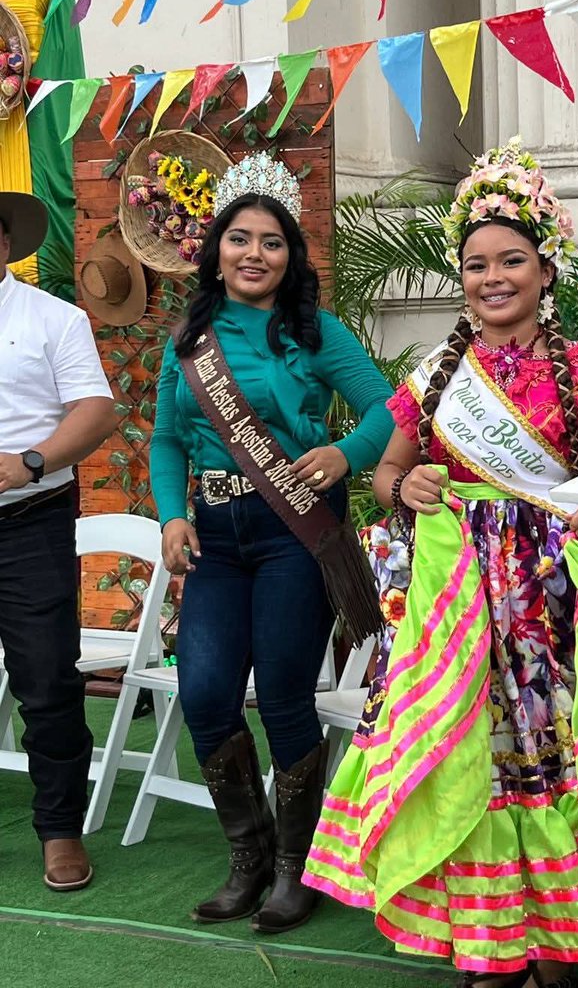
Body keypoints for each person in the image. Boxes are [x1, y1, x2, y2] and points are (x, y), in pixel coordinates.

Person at [303, 139, 578, 988]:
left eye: (512, 260)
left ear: (544, 266)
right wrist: (405, 481)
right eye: (477, 264)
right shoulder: (436, 376)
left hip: (557, 615)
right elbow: (386, 473)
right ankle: (488, 946)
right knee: (470, 763)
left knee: (559, 763)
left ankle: (561, 947)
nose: (494, 277)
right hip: (459, 613)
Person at [149, 151, 393, 934]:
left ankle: (297, 871)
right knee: (208, 692)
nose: (255, 254)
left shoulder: (313, 331)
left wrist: (346, 454)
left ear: (291, 258)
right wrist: (170, 516)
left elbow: (394, 408)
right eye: (241, 239)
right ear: (215, 248)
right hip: (215, 537)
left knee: (286, 695)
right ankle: (247, 860)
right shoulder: (188, 337)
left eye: (273, 242)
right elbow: (163, 440)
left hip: (294, 532)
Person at [0, 191, 117, 890]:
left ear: (5, 241)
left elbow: (97, 409)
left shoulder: (54, 318)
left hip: (28, 520)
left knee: (46, 681)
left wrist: (30, 462)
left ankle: (59, 830)